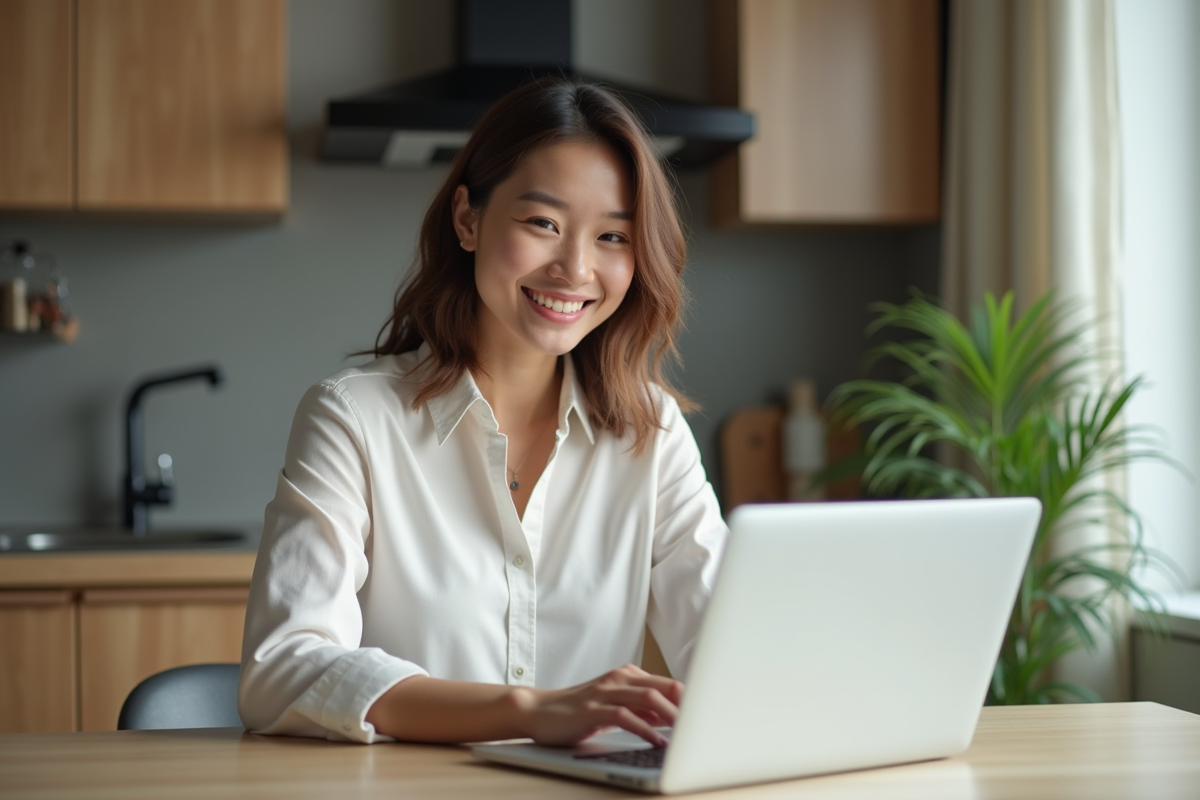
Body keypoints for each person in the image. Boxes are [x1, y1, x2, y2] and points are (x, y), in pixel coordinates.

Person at [238, 78, 728, 748]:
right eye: (543, 224)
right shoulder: (354, 418)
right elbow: (283, 670)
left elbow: (732, 649)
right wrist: (529, 711)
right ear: (468, 219)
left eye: (614, 235)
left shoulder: (652, 432)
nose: (576, 268)